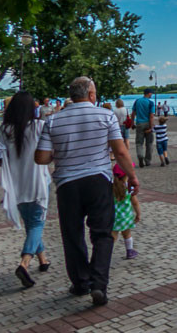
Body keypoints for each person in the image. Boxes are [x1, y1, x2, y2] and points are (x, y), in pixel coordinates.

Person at [35, 76, 139, 307]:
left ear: (72, 95)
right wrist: (132, 177)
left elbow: (40, 157)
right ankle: (99, 285)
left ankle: (81, 282)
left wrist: (60, 153)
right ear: (91, 95)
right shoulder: (106, 115)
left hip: (67, 185)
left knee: (72, 235)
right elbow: (120, 152)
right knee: (102, 234)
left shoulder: (53, 121)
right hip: (98, 181)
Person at [0, 91, 52, 288]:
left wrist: (10, 161)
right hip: (37, 183)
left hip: (15, 186)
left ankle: (43, 259)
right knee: (36, 224)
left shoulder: (4, 130)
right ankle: (24, 263)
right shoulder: (40, 127)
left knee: (31, 223)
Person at [110, 165, 141, 260]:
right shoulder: (129, 187)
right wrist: (138, 214)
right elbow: (135, 202)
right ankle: (130, 251)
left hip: (113, 217)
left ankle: (105, 253)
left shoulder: (110, 187)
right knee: (127, 234)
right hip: (126, 217)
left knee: (113, 236)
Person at [130, 90, 156, 168]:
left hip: (139, 123)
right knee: (149, 143)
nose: (152, 94)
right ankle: (147, 160)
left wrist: (132, 123)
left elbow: (133, 113)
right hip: (148, 123)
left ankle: (140, 156)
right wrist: (151, 127)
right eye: (151, 93)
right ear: (149, 93)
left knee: (139, 143)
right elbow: (151, 116)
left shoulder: (137, 101)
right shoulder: (151, 103)